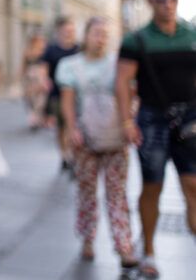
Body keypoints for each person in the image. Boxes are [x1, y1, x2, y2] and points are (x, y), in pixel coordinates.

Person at [116, 0, 196, 279]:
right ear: (151, 2)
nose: (168, 4)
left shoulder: (191, 35)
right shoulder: (136, 40)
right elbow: (122, 82)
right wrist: (126, 121)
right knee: (152, 187)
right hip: (152, 120)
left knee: (193, 186)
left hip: (190, 119)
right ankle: (148, 251)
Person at [57, 17, 137, 270]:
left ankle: (124, 245)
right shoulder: (70, 65)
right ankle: (87, 238)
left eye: (105, 34)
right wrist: (72, 129)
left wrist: (128, 124)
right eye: (96, 33)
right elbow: (67, 101)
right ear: (86, 35)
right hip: (86, 138)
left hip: (115, 137)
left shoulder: (119, 65)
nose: (101, 38)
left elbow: (131, 96)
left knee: (117, 193)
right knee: (86, 192)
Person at [39, 16, 80, 172]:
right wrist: (44, 80)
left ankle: (73, 153)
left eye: (72, 31)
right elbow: (43, 67)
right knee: (61, 127)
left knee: (74, 125)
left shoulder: (78, 49)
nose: (69, 33)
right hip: (57, 93)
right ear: (60, 31)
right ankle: (64, 155)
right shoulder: (52, 49)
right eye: (66, 31)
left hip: (76, 95)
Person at [22, 31, 49, 130]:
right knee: (30, 99)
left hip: (40, 76)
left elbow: (46, 66)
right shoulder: (28, 52)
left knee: (41, 99)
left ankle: (38, 118)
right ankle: (33, 117)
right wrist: (23, 78)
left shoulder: (44, 51)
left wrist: (45, 78)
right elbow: (23, 66)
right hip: (30, 78)